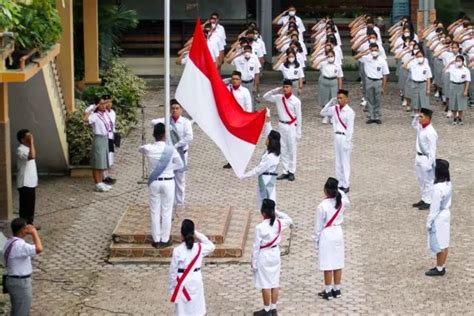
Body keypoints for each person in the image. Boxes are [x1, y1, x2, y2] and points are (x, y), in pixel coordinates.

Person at [139, 123, 184, 248]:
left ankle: (156, 239)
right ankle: (165, 239)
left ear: (154, 135)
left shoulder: (149, 149)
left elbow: (140, 148)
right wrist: (169, 168)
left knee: (154, 211)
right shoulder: (171, 150)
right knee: (166, 211)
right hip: (168, 181)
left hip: (154, 182)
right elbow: (180, 165)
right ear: (165, 135)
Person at [252, 199, 293, 316]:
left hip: (264, 255)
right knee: (274, 282)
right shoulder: (279, 223)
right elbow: (290, 220)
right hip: (275, 253)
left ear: (263, 212)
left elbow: (256, 247)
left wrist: (254, 263)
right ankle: (274, 308)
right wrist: (277, 212)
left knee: (265, 283)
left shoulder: (259, 227)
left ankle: (266, 309)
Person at [150, 100, 193, 208]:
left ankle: (180, 203)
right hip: (169, 154)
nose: (174, 110)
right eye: (173, 108)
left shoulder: (185, 122)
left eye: (177, 108)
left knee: (180, 179)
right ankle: (170, 202)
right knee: (169, 177)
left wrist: (176, 145)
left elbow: (189, 137)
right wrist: (164, 125)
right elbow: (153, 122)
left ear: (181, 110)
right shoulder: (166, 120)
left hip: (181, 153)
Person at [169, 219, 215, 316]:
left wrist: (172, 288)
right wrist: (196, 233)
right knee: (197, 310)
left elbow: (173, 272)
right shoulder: (199, 247)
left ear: (181, 234)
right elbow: (211, 246)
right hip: (196, 279)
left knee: (183, 311)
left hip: (182, 282)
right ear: (193, 233)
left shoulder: (177, 251)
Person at [313, 177, 349, 300]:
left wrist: (316, 241)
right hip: (338, 232)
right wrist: (339, 190)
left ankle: (328, 291)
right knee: (338, 262)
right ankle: (337, 289)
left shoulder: (322, 206)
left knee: (327, 263)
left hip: (327, 233)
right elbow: (346, 199)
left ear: (325, 190)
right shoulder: (341, 202)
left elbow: (318, 227)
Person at [262, 79, 302, 182]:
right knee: (283, 148)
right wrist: (276, 90)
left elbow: (299, 117)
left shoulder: (296, 101)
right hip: (281, 125)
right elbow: (265, 96)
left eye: (287, 87)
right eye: (284, 87)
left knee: (292, 149)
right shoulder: (279, 98)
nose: (285, 89)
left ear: (291, 88)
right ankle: (285, 171)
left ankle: (291, 171)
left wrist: (298, 132)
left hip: (291, 125)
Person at [3, 218, 43, 316]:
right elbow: (39, 248)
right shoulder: (20, 245)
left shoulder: (9, 241)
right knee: (21, 312)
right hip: (20, 283)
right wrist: (34, 233)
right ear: (22, 230)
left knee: (17, 309)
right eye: (26, 227)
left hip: (11, 279)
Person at [320, 90, 355, 193]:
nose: (339, 100)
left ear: (346, 99)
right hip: (336, 136)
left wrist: (348, 142)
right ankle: (339, 183)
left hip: (344, 137)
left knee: (345, 161)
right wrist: (330, 102)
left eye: (341, 98)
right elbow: (322, 112)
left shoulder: (350, 112)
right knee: (338, 161)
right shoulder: (334, 109)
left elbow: (350, 129)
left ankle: (346, 183)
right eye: (338, 98)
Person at [241, 130, 281, 209]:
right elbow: (269, 130)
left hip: (266, 182)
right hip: (266, 180)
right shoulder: (270, 152)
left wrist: (244, 176)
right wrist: (267, 121)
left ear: (271, 141)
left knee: (266, 203)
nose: (265, 139)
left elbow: (258, 170)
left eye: (267, 138)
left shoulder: (270, 157)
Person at [425, 159, 451, 277]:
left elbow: (434, 208)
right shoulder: (448, 184)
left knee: (438, 243)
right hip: (446, 213)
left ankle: (439, 269)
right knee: (444, 241)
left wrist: (429, 222)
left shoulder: (437, 188)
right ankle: (442, 266)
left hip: (439, 216)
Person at [355, 43, 390, 124]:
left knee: (377, 99)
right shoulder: (367, 58)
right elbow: (355, 57)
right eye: (372, 50)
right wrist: (364, 53)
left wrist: (384, 87)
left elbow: (385, 75)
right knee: (369, 99)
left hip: (378, 81)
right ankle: (371, 116)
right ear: (370, 50)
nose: (374, 51)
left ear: (378, 50)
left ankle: (377, 116)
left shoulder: (382, 60)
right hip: (369, 80)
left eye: (375, 50)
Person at [84, 96, 113, 192]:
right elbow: (85, 119)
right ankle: (97, 183)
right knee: (97, 162)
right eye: (101, 104)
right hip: (98, 139)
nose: (104, 105)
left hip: (105, 138)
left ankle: (101, 182)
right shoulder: (95, 116)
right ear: (97, 105)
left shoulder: (105, 114)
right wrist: (93, 108)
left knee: (102, 162)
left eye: (104, 103)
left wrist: (107, 102)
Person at [412, 108, 438, 210]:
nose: (419, 119)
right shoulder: (421, 127)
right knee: (421, 179)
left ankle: (429, 201)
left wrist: (430, 163)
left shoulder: (431, 132)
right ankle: (424, 198)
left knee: (428, 181)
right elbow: (413, 125)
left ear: (427, 118)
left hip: (426, 158)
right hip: (418, 156)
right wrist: (415, 117)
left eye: (421, 117)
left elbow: (432, 149)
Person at [15, 129, 39, 229]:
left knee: (31, 205)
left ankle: (30, 224)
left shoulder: (29, 147)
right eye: (28, 137)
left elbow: (34, 153)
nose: (30, 138)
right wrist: (31, 142)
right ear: (22, 139)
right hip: (24, 182)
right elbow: (32, 156)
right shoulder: (20, 149)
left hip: (31, 181)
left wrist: (31, 144)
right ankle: (23, 225)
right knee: (25, 206)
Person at [316, 50, 344, 124]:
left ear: (334, 56)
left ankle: (332, 116)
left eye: (331, 56)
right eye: (328, 56)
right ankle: (326, 116)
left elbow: (340, 77)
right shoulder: (323, 64)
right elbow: (315, 66)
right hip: (325, 81)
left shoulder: (337, 65)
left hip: (334, 81)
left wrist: (340, 88)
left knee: (333, 99)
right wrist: (322, 59)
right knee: (325, 99)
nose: (330, 58)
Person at [447, 55, 471, 125]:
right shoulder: (452, 68)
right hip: (453, 85)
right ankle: (454, 117)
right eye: (456, 60)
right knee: (454, 102)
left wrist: (466, 90)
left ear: (463, 62)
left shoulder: (466, 70)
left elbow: (468, 81)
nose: (458, 62)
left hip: (462, 85)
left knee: (461, 103)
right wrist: (450, 63)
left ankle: (460, 118)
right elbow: (444, 70)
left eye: (459, 60)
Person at [103, 94, 117, 184]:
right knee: (104, 157)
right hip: (105, 137)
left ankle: (107, 175)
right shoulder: (101, 113)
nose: (109, 104)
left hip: (111, 136)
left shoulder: (112, 112)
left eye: (110, 102)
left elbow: (113, 125)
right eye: (106, 102)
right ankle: (104, 176)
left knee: (110, 156)